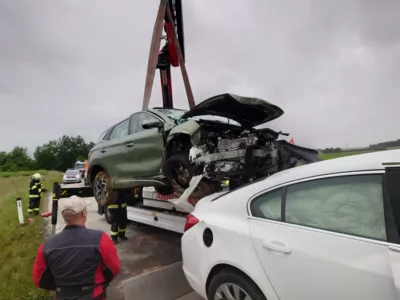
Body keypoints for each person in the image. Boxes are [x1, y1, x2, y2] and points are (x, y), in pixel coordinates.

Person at [32, 196, 120, 300]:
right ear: (84, 213)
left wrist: (62, 287)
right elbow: (114, 268)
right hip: (94, 295)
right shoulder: (101, 239)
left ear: (64, 216)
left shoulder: (47, 245)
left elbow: (39, 279)